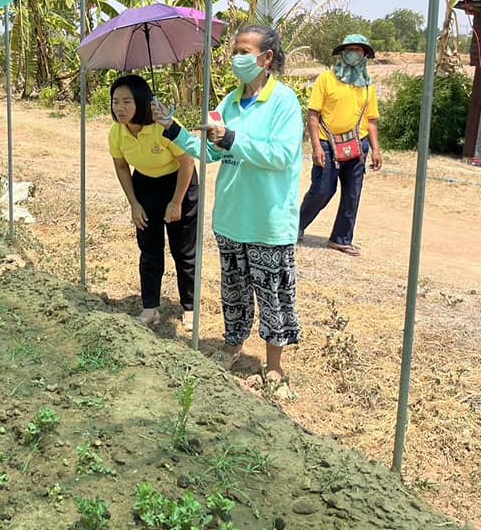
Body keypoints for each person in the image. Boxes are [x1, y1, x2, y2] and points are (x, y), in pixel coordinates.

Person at [153, 25, 302, 392]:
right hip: (231, 219)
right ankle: (232, 346)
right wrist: (172, 128)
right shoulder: (228, 104)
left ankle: (274, 367)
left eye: (245, 51)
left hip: (268, 221)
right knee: (233, 291)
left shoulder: (284, 102)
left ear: (266, 59)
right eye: (235, 49)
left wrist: (233, 139)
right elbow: (210, 152)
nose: (238, 57)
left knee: (273, 295)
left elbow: (281, 156)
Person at [108, 74, 198, 328]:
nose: (120, 108)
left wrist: (177, 201)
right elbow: (122, 167)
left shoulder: (163, 124)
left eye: (127, 101)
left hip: (179, 182)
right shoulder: (117, 132)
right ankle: (150, 307)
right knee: (149, 250)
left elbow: (187, 161)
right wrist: (134, 204)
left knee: (183, 250)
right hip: (145, 184)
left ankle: (189, 308)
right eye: (116, 102)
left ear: (143, 102)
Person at [299, 33, 382, 256]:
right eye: (349, 50)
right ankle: (296, 226)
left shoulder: (368, 86)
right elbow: (313, 114)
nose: (352, 54)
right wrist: (316, 146)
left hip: (358, 145)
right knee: (322, 189)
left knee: (352, 193)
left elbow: (371, 120)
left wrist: (375, 149)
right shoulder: (326, 79)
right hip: (327, 143)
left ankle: (341, 238)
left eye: (357, 50)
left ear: (364, 55)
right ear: (342, 54)